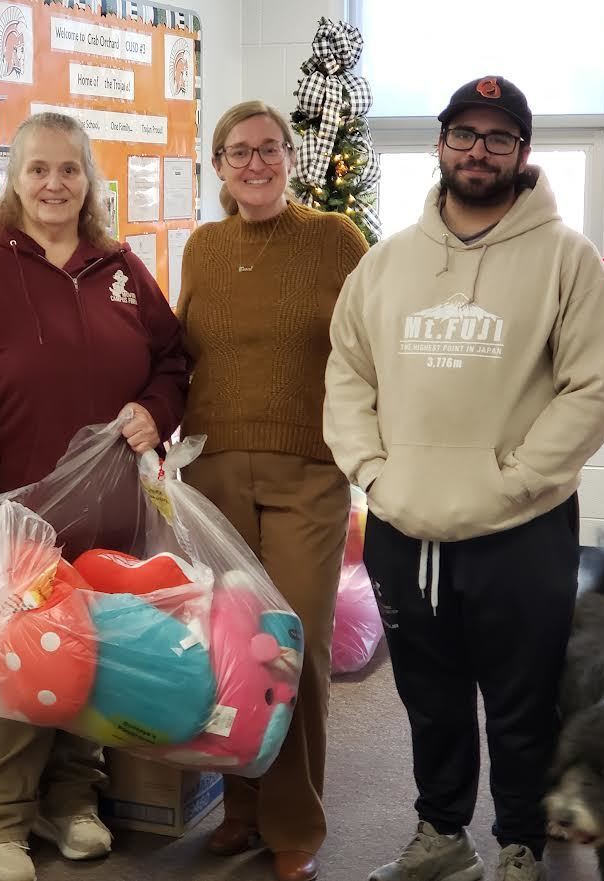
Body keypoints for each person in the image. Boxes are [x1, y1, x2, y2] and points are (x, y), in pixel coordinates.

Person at [324, 76, 604, 881]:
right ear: (439, 143)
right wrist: (375, 474)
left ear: (522, 154)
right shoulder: (385, 264)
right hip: (404, 523)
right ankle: (441, 835)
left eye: (498, 137)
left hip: (520, 527)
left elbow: (592, 386)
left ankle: (520, 844)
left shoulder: (566, 261)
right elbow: (347, 376)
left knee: (521, 701)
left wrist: (518, 478)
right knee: (430, 697)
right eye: (464, 132)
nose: (478, 150)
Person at [0, 111, 188, 881]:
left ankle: (68, 801)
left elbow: (172, 363)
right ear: (12, 178)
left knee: (86, 667)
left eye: (69, 169)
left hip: (101, 520)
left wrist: (154, 410)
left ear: (89, 180)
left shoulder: (121, 268)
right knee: (17, 675)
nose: (54, 184)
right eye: (38, 169)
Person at [176, 99, 368, 881]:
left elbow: (369, 345)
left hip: (306, 474)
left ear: (292, 156)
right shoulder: (203, 247)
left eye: (268, 148)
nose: (254, 163)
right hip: (213, 468)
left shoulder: (335, 239)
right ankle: (242, 809)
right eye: (237, 151)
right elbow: (177, 348)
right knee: (228, 645)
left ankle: (293, 823)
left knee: (293, 646)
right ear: (217, 166)